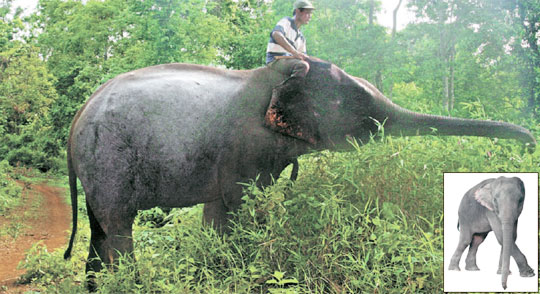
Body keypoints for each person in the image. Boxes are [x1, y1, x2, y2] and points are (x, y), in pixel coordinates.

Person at [266, 0, 315, 80]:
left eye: (311, 13)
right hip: (275, 60)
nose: (310, 16)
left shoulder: (301, 38)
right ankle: (283, 90)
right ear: (297, 11)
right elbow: (276, 34)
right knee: (303, 66)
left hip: (289, 62)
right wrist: (294, 52)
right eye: (307, 13)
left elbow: (302, 56)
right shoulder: (286, 21)